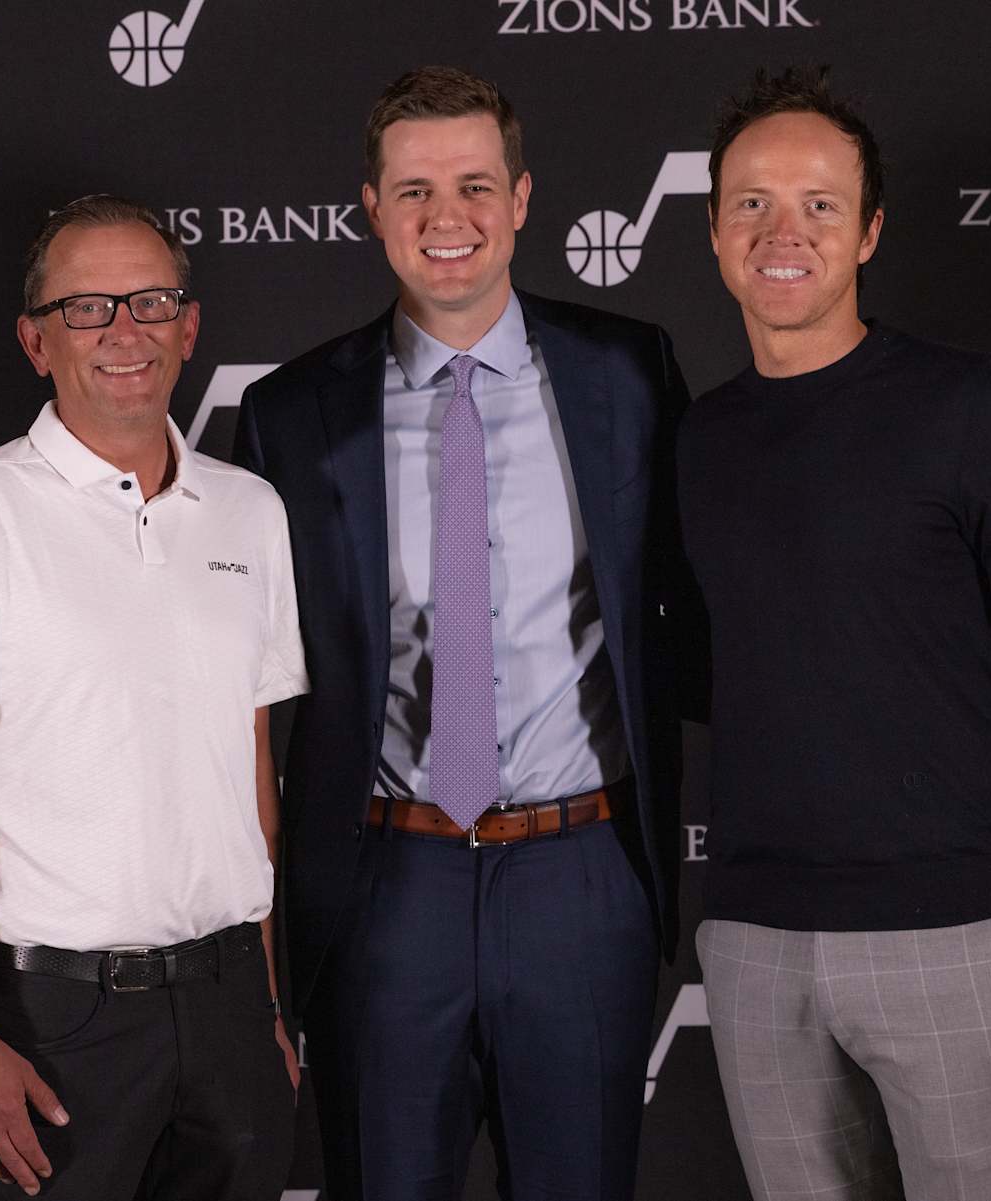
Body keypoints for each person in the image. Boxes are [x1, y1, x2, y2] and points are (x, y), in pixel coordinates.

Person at [234, 67, 697, 1201]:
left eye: (477, 185)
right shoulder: (293, 414)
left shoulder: (629, 375)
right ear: (371, 207)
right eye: (417, 190)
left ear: (525, 198)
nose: (449, 218)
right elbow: (242, 685)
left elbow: (701, 600)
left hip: (580, 875)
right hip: (389, 883)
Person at [681, 66, 991, 1201]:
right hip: (758, 942)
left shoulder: (972, 410)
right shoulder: (698, 442)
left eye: (820, 204)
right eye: (752, 204)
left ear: (870, 231)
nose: (783, 231)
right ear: (715, 230)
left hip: (958, 938)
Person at [0, 195, 305, 1200]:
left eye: (151, 302)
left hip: (232, 1003)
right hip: (56, 1019)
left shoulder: (251, 511)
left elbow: (252, 775)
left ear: (189, 327)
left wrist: (268, 1005)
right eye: (88, 308)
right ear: (35, 340)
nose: (125, 332)